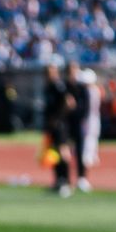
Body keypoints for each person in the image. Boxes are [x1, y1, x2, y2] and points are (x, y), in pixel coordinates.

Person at [42, 63, 75, 197]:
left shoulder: (58, 86)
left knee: (63, 151)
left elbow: (70, 102)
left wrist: (58, 117)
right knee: (54, 153)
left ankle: (66, 181)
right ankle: (58, 180)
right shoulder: (48, 87)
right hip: (52, 125)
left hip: (60, 124)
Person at [70, 66, 101, 193]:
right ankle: (82, 178)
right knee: (86, 150)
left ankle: (82, 178)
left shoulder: (89, 92)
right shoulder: (95, 90)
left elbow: (86, 110)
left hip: (88, 124)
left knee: (85, 150)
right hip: (92, 123)